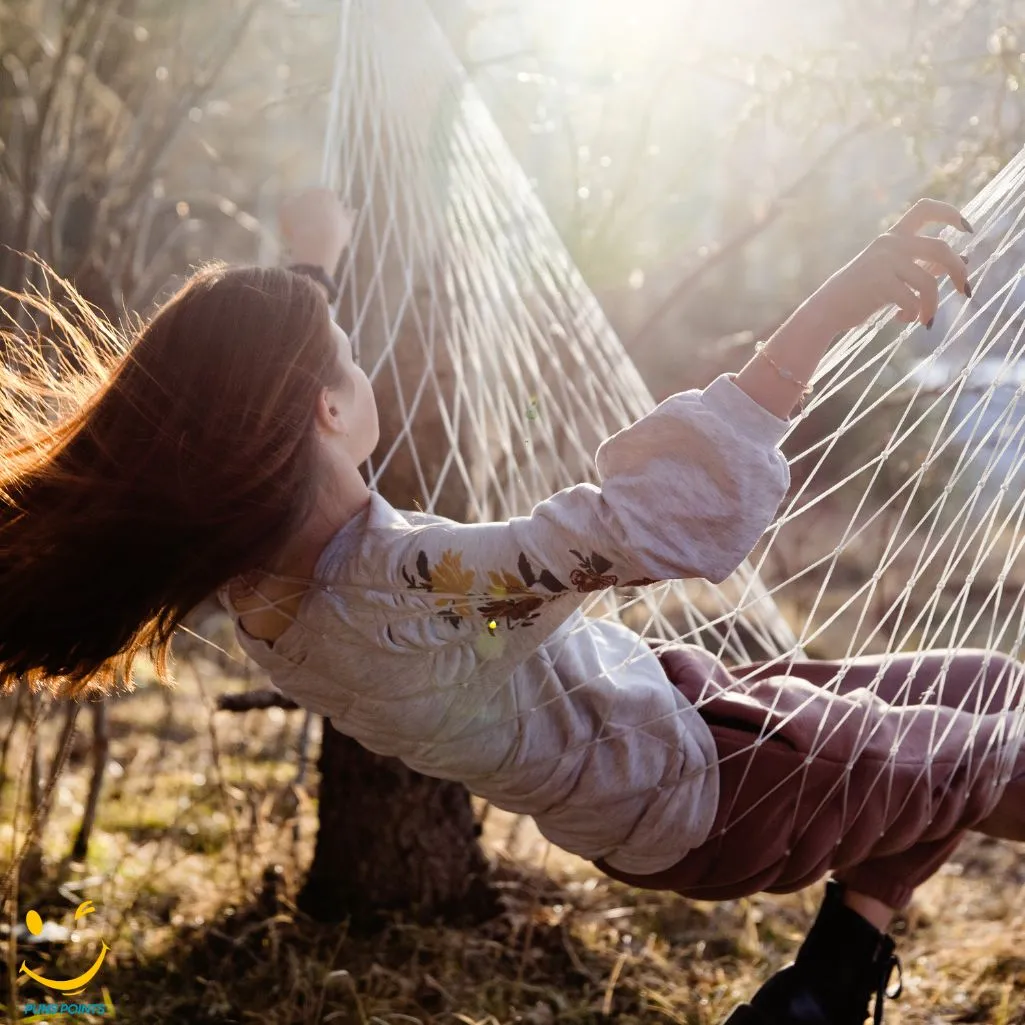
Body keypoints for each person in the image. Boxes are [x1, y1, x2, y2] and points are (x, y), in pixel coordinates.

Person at [1, 187, 1022, 1025]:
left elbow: (253, 397)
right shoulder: (416, 588)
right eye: (347, 355)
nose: (360, 368)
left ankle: (826, 981)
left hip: (669, 750)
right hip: (719, 775)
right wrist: (836, 304)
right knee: (991, 759)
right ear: (324, 407)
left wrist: (310, 262)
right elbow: (646, 517)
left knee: (977, 689)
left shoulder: (264, 585)